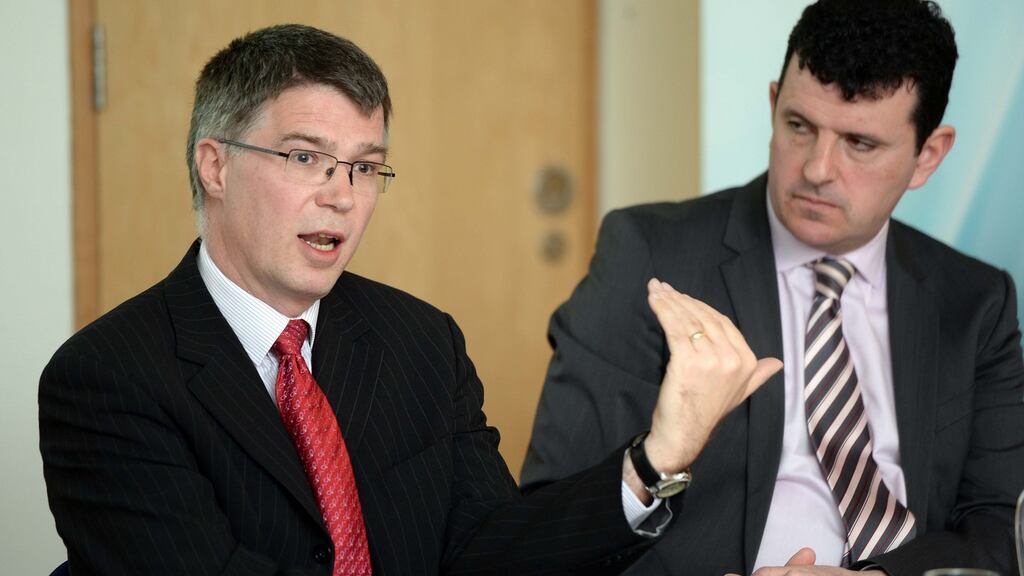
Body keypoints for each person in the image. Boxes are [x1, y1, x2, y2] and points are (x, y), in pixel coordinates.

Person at [39, 24, 782, 576]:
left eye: (366, 168)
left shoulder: (421, 342)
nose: (341, 196)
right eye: (305, 157)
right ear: (215, 167)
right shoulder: (107, 378)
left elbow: (493, 550)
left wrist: (657, 458)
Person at [521, 1, 1024, 575]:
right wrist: (657, 459)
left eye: (859, 144)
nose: (816, 169)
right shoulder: (650, 256)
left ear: (927, 156)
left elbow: (1000, 524)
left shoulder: (975, 301)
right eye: (799, 126)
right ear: (773, 104)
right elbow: (553, 513)